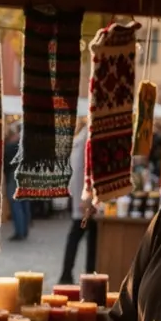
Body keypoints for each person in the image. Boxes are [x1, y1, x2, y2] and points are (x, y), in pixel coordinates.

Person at [60, 122, 97, 284]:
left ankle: (69, 275)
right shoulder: (86, 141)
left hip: (81, 200)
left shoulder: (78, 140)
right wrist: (86, 199)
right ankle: (87, 275)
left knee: (78, 236)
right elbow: (85, 171)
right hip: (86, 202)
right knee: (88, 238)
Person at [5, 124, 30, 241]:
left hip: (14, 176)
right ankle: (24, 230)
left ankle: (19, 231)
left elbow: (6, 164)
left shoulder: (10, 146)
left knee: (16, 204)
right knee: (24, 203)